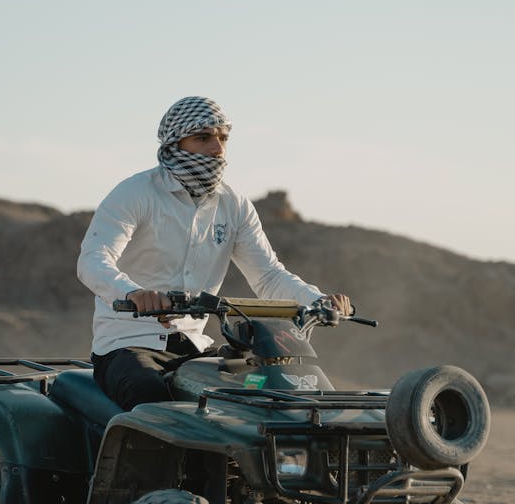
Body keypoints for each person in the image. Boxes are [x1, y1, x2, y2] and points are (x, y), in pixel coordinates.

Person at [77, 96, 351, 410]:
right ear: (175, 142)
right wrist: (135, 293)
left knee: (259, 395)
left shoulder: (234, 205)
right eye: (204, 138)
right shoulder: (135, 193)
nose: (217, 149)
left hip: (197, 347)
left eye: (223, 138)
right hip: (128, 346)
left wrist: (316, 300)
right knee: (151, 400)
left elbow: (268, 275)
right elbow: (92, 260)